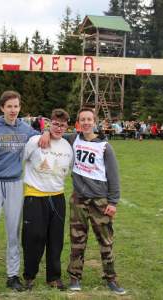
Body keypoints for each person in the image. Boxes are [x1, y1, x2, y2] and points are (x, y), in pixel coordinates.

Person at [0, 91, 50, 295]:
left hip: (15, 185)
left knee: (14, 232)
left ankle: (12, 276)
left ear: (20, 108)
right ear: (2, 108)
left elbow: (41, 137)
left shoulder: (25, 129)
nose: (13, 110)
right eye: (9, 107)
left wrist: (46, 132)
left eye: (16, 106)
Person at [66, 107, 126, 295]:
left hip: (100, 201)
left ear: (94, 122)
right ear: (78, 122)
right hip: (78, 199)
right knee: (77, 240)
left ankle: (111, 278)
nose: (85, 122)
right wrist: (44, 134)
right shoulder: (72, 139)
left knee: (105, 241)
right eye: (82, 119)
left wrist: (113, 202)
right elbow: (54, 132)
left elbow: (114, 176)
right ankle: (74, 277)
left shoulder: (105, 146)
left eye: (89, 119)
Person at [22, 109, 73, 291]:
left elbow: (71, 171)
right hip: (35, 196)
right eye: (56, 124)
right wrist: (43, 134)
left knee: (55, 240)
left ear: (67, 126)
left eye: (63, 125)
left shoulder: (67, 146)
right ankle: (29, 276)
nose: (59, 128)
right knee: (34, 238)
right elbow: (21, 159)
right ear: (49, 123)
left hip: (57, 197)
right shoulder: (35, 141)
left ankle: (54, 277)